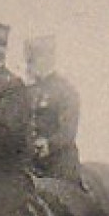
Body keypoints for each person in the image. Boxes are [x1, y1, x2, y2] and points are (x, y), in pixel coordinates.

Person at [25, 35, 82, 185]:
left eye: (33, 60)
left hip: (58, 163)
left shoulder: (65, 90)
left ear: (49, 58)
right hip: (30, 161)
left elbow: (68, 131)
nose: (29, 66)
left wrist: (49, 144)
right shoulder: (27, 90)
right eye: (28, 60)